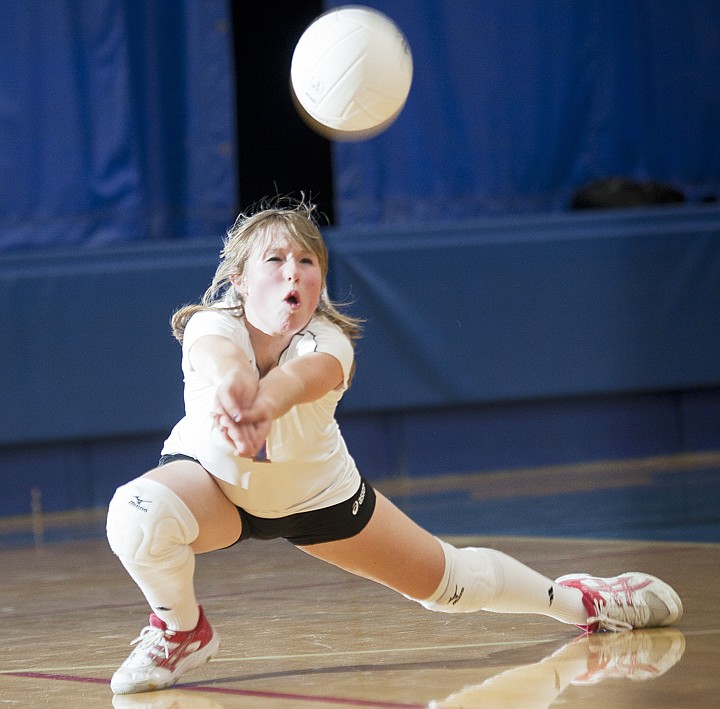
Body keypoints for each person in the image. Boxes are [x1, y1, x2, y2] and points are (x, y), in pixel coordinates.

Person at [106, 198, 683, 696]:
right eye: (276, 259)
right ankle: (181, 629)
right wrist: (238, 396)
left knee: (452, 586)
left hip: (319, 498)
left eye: (309, 262)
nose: (294, 274)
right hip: (215, 486)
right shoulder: (214, 324)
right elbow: (226, 364)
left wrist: (261, 405)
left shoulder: (328, 342)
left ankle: (585, 601)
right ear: (239, 279)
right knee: (137, 516)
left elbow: (293, 382)